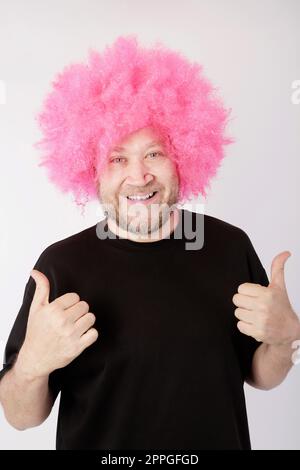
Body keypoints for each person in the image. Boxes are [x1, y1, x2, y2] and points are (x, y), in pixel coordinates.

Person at [0, 36, 299, 451]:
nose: (139, 177)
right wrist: (32, 365)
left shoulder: (229, 247)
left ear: (183, 155)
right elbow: (20, 418)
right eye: (117, 158)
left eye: (154, 153)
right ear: (92, 169)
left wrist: (285, 339)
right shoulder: (60, 267)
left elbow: (261, 375)